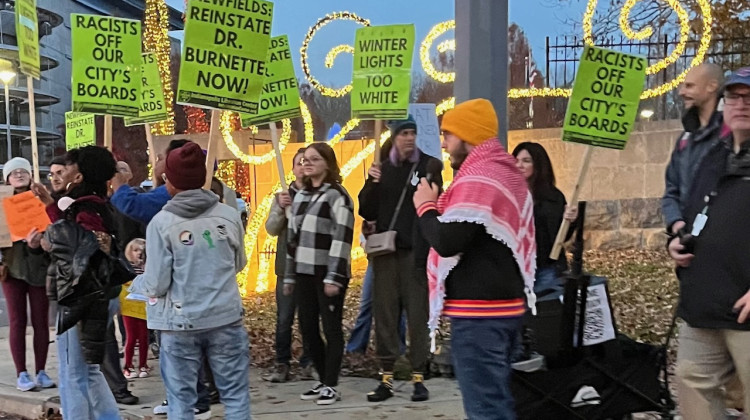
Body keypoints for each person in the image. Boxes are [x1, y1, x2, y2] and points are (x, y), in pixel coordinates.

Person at [413, 98, 536, 419]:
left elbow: (448, 241)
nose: (443, 143)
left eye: (448, 135)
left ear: (467, 136)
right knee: (496, 402)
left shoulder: (481, 177)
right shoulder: (503, 172)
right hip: (503, 310)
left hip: (481, 314)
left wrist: (426, 207)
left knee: (486, 410)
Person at [129, 142, 250, 420]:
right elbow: (238, 263)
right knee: (235, 396)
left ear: (170, 181)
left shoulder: (161, 223)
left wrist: (138, 284)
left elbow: (157, 283)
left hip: (179, 324)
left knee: (181, 400)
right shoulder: (229, 215)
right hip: (226, 318)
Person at [667, 68, 750, 420]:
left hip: (745, 309)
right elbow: (692, 209)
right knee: (692, 383)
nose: (741, 105)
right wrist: (678, 242)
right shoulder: (711, 157)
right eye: (734, 97)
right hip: (705, 304)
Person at [110, 140, 215, 417]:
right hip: (203, 286)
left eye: (162, 160)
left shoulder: (173, 199)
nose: (156, 163)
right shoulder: (212, 200)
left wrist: (119, 184)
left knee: (175, 349)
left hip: (173, 289)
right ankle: (197, 398)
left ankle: (188, 401)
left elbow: (133, 205)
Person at [358, 116, 443, 402]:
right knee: (385, 313)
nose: (409, 138)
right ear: (393, 137)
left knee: (417, 314)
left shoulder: (428, 165)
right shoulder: (382, 166)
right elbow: (366, 209)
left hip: (415, 252)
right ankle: (387, 377)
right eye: (403, 133)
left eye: (412, 133)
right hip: (386, 253)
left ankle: (419, 374)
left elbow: (436, 204)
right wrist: (373, 183)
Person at [39, 146, 122, 419]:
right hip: (100, 294)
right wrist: (52, 208)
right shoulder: (97, 204)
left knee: (72, 373)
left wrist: (47, 242)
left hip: (80, 298)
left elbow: (78, 250)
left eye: (70, 165)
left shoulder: (84, 209)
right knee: (90, 370)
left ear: (80, 174)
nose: (65, 169)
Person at [284, 143, 354, 406]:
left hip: (327, 272)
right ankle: (322, 378)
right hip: (303, 272)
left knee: (331, 327)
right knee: (308, 327)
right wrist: (289, 277)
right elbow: (293, 238)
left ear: (328, 163)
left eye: (314, 159)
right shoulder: (301, 195)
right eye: (304, 160)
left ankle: (332, 384)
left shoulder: (337, 196)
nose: (307, 163)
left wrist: (334, 277)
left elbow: (342, 237)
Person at [0, 157, 54, 391]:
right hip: (12, 269)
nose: (19, 174)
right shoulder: (2, 203)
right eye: (14, 172)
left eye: (24, 171)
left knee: (41, 321)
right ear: (7, 179)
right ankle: (22, 372)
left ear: (31, 175)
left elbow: (54, 228)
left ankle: (41, 370)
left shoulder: (43, 199)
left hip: (39, 267)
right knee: (17, 321)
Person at [264, 148, 314, 383]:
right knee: (284, 318)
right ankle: (281, 363)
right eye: (299, 163)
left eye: (308, 162)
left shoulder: (319, 194)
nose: (303, 167)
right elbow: (271, 229)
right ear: (292, 169)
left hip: (311, 266)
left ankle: (309, 361)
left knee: (310, 318)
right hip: (287, 267)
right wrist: (281, 210)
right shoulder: (283, 196)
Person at [512, 142, 577, 293]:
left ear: (539, 165)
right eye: (516, 160)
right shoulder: (507, 195)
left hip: (546, 267)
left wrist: (570, 221)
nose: (519, 165)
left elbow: (560, 236)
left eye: (526, 161)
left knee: (545, 313)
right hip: (515, 269)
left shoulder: (553, 197)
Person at [120, 238, 150, 379]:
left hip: (143, 305)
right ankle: (128, 366)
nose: (139, 253)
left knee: (144, 337)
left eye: (142, 251)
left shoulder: (147, 267)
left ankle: (143, 365)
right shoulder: (126, 267)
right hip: (129, 306)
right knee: (131, 337)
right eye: (136, 250)